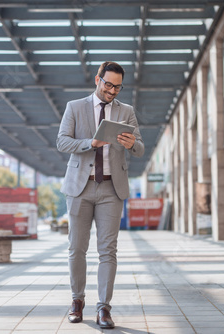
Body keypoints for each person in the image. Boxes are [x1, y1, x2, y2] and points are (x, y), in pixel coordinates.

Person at [57, 61, 145, 329]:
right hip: (79, 187)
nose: (112, 91)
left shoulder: (126, 111)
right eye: (108, 85)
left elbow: (140, 148)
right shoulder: (75, 107)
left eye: (118, 87)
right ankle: (77, 301)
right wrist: (90, 143)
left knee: (108, 251)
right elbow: (62, 142)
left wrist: (132, 144)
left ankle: (104, 308)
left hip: (111, 188)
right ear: (98, 80)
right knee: (77, 249)